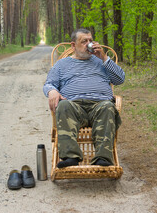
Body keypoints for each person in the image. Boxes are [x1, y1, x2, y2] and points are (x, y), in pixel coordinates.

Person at [43, 28, 125, 168]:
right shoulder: (62, 65)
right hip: (74, 108)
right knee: (63, 105)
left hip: (99, 105)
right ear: (73, 45)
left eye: (90, 41)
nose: (89, 44)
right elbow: (49, 83)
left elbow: (120, 79)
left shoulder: (101, 62)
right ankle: (70, 157)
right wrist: (52, 91)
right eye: (84, 41)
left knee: (108, 106)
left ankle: (103, 158)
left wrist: (104, 58)